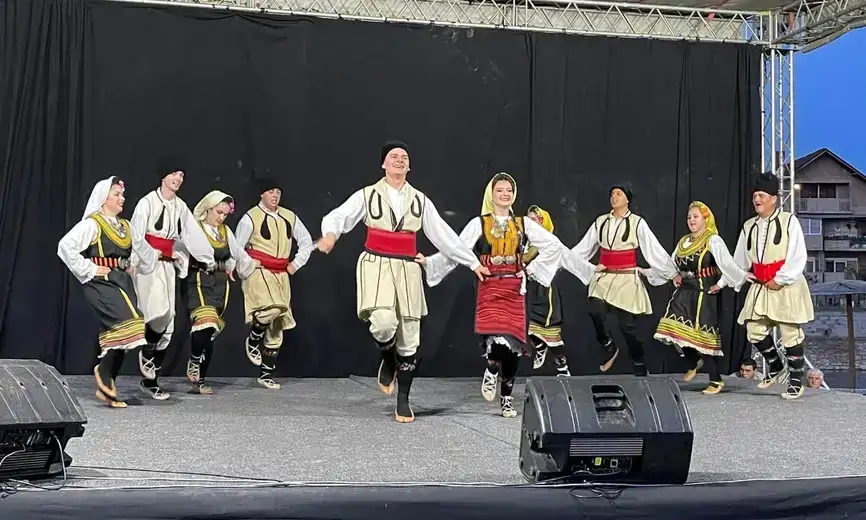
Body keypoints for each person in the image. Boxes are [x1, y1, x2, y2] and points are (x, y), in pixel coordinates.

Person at [317, 140, 489, 423]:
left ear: (409, 166)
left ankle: (403, 399)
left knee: (410, 336)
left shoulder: (420, 200)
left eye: (404, 157)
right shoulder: (368, 195)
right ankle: (387, 357)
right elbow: (339, 215)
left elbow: (444, 236)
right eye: (394, 157)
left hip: (407, 268)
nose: (399, 160)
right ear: (384, 164)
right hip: (376, 264)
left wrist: (472, 262)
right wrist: (331, 233)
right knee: (384, 323)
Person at [420, 175, 577, 418]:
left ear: (513, 195)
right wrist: (431, 262)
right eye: (499, 190)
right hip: (489, 286)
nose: (504, 194)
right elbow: (456, 247)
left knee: (513, 348)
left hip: (514, 288)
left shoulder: (523, 223)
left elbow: (553, 245)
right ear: (490, 195)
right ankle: (492, 370)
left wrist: (531, 269)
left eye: (509, 190)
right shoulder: (479, 223)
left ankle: (506, 398)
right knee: (496, 340)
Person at [57, 176, 160, 408]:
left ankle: (108, 388)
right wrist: (90, 268)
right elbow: (65, 247)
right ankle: (103, 370)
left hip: (123, 282)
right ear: (103, 199)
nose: (122, 198)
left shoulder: (126, 226)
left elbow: (144, 251)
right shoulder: (93, 224)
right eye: (116, 195)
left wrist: (147, 261)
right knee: (130, 325)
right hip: (101, 282)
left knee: (121, 334)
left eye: (122, 195)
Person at [563, 184, 679, 376]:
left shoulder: (637, 223)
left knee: (627, 327)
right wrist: (563, 260)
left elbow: (654, 250)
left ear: (627, 199)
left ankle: (638, 361)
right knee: (594, 309)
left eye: (619, 194)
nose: (614, 197)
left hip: (626, 278)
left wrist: (671, 273)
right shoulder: (601, 222)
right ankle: (608, 345)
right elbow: (584, 248)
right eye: (612, 194)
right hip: (604, 275)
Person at [131, 160, 215, 400]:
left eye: (181, 175)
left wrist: (206, 257)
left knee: (169, 324)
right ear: (163, 177)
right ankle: (147, 353)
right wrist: (138, 260)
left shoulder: (180, 206)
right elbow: (136, 234)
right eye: (174, 174)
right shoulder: (147, 202)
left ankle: (151, 381)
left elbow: (191, 233)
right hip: (149, 264)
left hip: (167, 265)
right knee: (158, 312)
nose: (178, 179)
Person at [649, 201, 753, 395]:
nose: (691, 221)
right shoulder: (684, 242)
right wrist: (661, 274)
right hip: (684, 292)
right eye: (689, 217)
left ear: (706, 219)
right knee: (669, 329)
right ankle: (693, 361)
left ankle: (715, 380)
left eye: (696, 217)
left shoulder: (712, 240)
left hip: (704, 295)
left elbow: (727, 264)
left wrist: (730, 279)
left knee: (703, 338)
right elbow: (671, 264)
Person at [733, 173, 814, 400]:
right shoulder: (749, 226)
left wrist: (781, 279)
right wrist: (730, 280)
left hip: (784, 284)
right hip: (761, 285)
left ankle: (796, 381)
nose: (756, 199)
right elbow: (739, 260)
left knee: (790, 332)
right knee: (754, 330)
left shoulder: (789, 221)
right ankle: (776, 366)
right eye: (754, 195)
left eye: (761, 195)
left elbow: (798, 254)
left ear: (773, 199)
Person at [235, 178, 314, 390]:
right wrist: (248, 265)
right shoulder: (250, 217)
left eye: (278, 191)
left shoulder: (289, 216)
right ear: (262, 194)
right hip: (259, 271)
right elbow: (237, 246)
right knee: (272, 308)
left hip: (281, 273)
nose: (275, 195)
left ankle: (266, 373)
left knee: (278, 323)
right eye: (271, 191)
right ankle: (253, 339)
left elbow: (306, 241)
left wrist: (295, 264)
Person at [184, 190, 258, 394]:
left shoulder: (225, 231)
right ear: (207, 209)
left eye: (225, 214)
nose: (221, 217)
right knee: (205, 324)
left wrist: (244, 266)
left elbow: (237, 253)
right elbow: (180, 249)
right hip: (198, 282)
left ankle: (200, 378)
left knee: (209, 332)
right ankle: (194, 360)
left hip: (220, 284)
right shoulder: (194, 228)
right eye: (218, 212)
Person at [523, 205, 571, 377]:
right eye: (528, 220)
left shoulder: (550, 242)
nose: (530, 223)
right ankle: (540, 347)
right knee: (528, 329)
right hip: (529, 289)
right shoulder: (525, 243)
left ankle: (562, 368)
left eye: (534, 220)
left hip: (546, 290)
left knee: (550, 333)